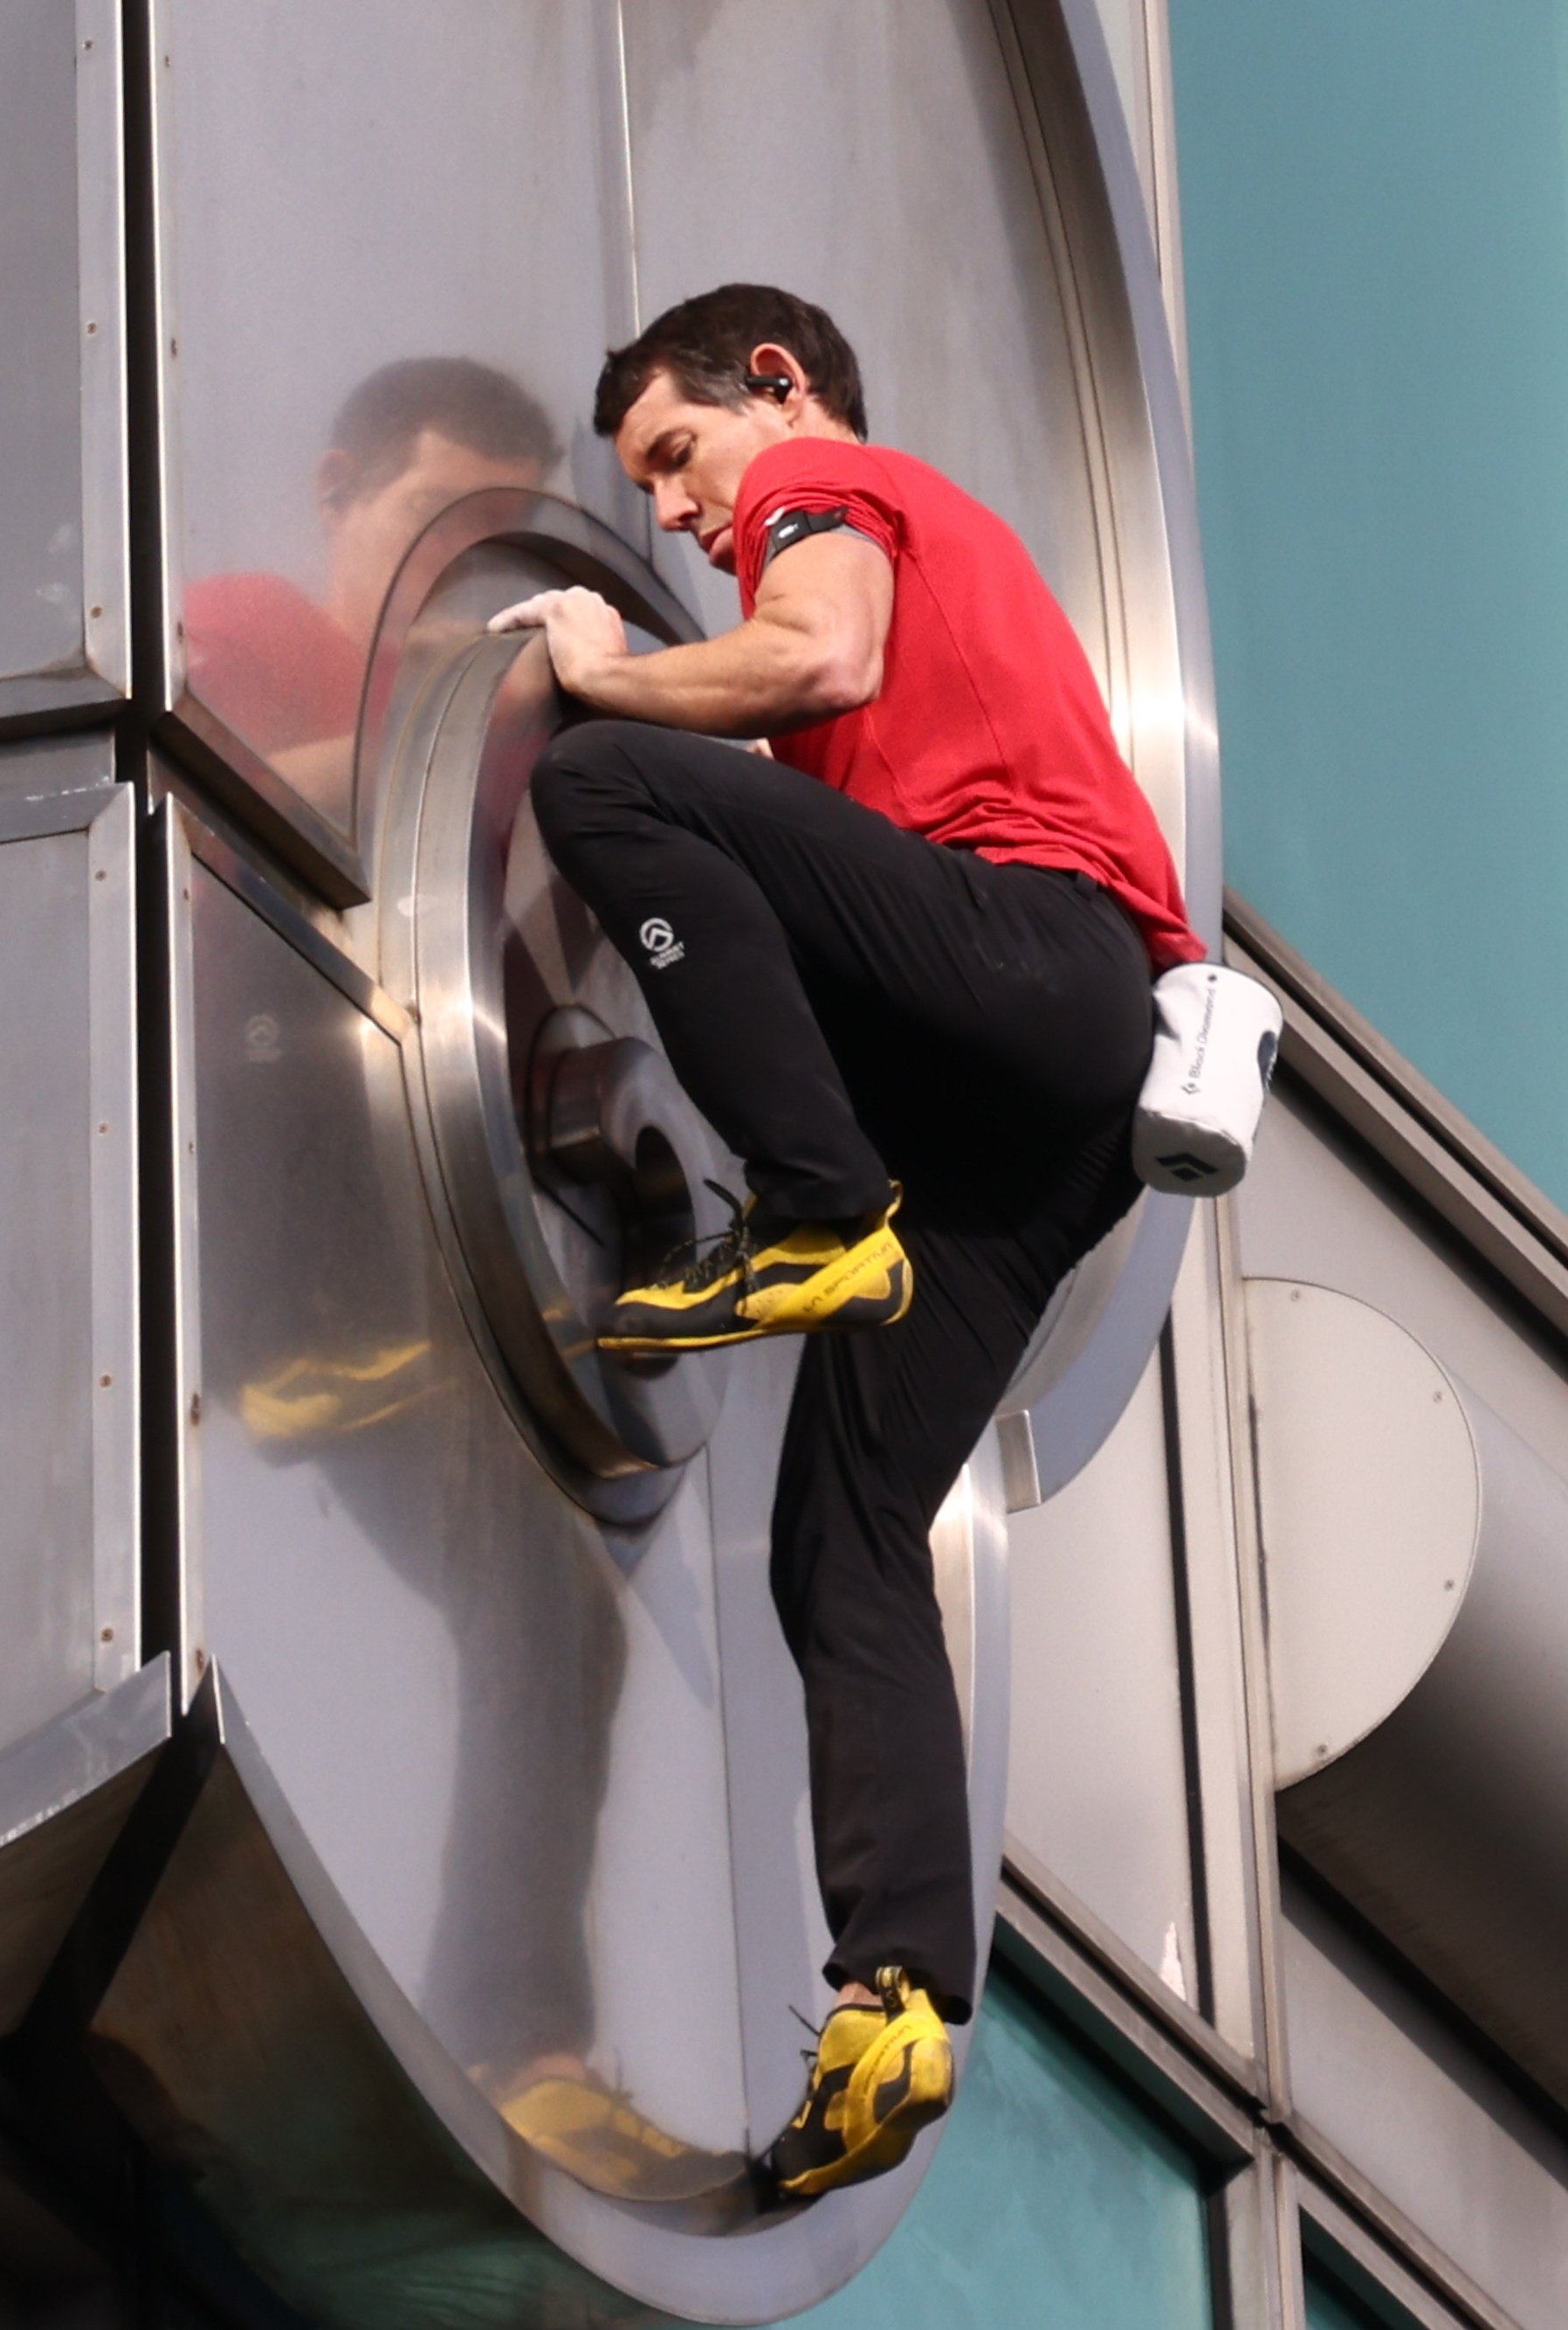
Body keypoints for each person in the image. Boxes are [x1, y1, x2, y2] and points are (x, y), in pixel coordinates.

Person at [491, 284, 1200, 2204]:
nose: (689, 516)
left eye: (679, 458)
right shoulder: (853, 530)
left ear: (773, 393)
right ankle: (893, 1995)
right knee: (846, 1533)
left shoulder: (830, 476)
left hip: (1030, 963)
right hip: (1044, 1121)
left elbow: (805, 659)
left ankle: (814, 1209)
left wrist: (596, 664)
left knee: (597, 779)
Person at [184, 357, 559, 808]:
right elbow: (196, 812)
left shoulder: (524, 700)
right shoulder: (248, 622)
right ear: (335, 490)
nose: (466, 555)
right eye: (432, 513)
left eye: (496, 531)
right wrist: (477, 713)